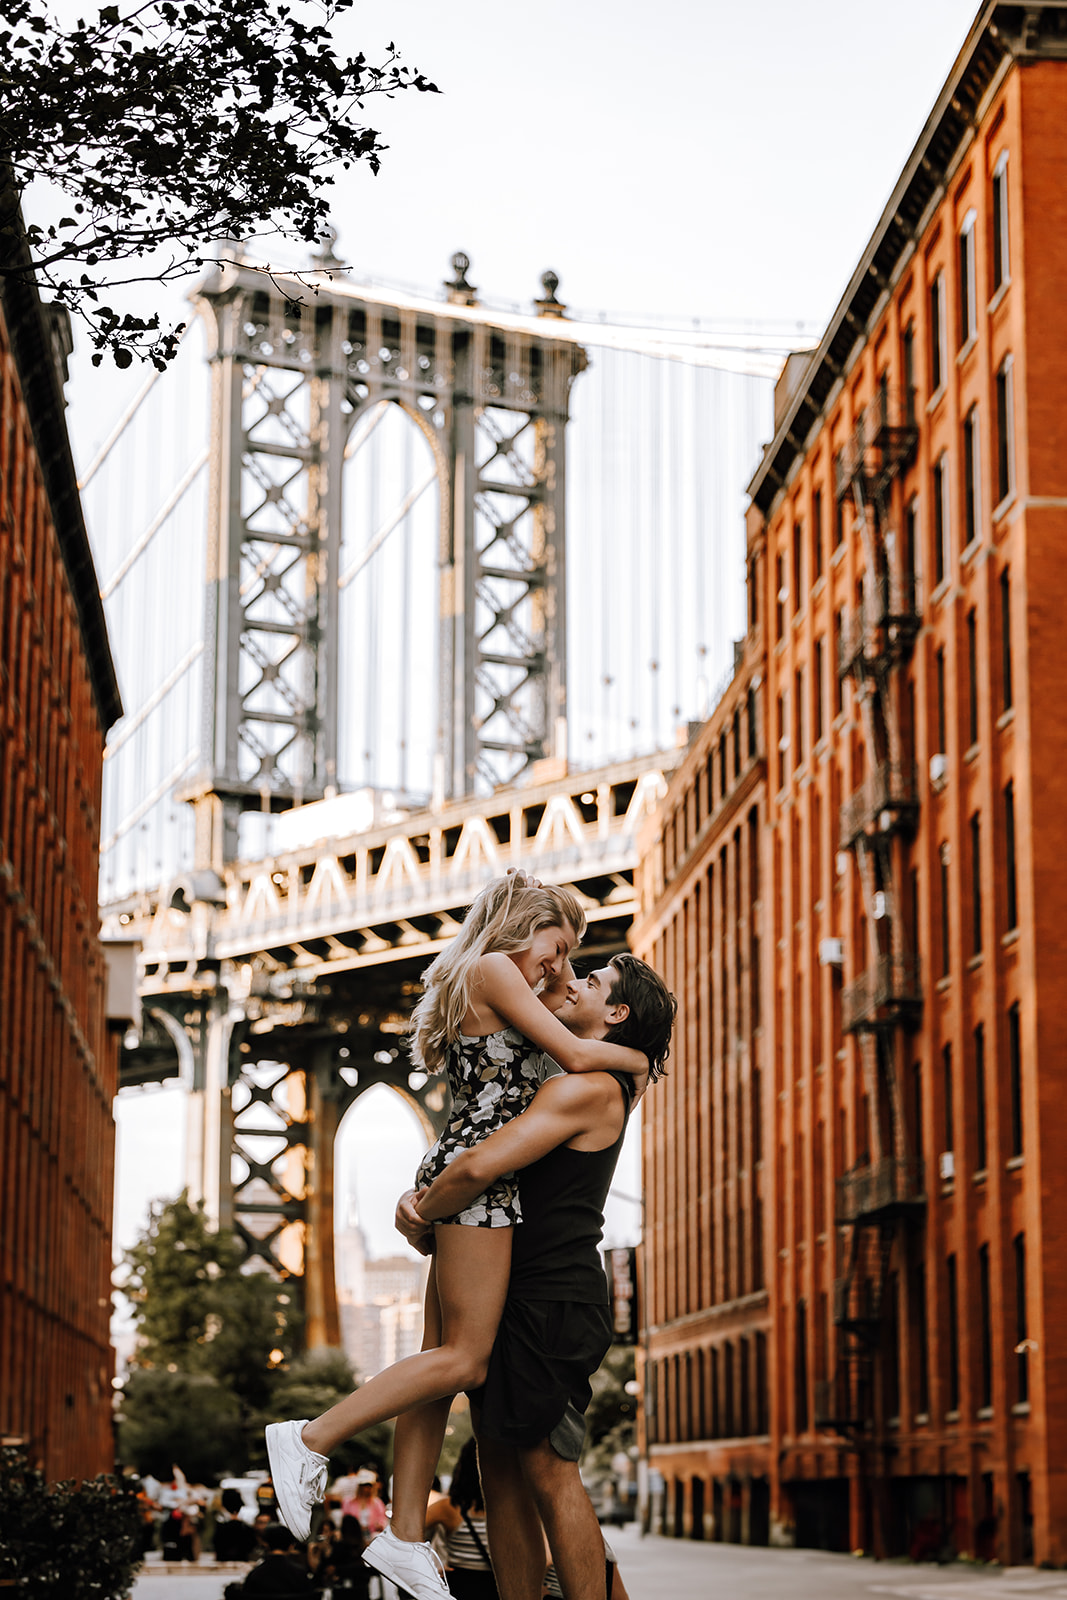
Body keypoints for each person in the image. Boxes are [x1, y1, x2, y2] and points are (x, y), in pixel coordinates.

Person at [266, 872, 648, 1589]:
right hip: (478, 1182)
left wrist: (426, 1201)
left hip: (467, 1172)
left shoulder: (498, 981)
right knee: (463, 1361)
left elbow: (559, 1040)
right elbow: (570, 1054)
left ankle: (404, 1532)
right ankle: (308, 1437)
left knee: (437, 1362)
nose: (561, 968)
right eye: (557, 947)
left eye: (573, 961)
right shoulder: (495, 969)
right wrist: (638, 1058)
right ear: (518, 923)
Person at [399, 952, 676, 1600]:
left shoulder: (586, 1086)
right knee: (497, 1473)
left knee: (550, 1472)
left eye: (593, 982)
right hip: (516, 1295)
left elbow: (475, 1170)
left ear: (615, 1013)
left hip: (550, 1300)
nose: (572, 981)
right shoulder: (588, 1073)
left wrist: (419, 1214)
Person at [422, 1438, 498, 1598]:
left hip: (458, 1587)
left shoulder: (449, 1507)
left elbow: (408, 1532)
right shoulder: (509, 1510)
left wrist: (426, 1569)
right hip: (496, 1588)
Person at [340, 1468, 387, 1537]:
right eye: (364, 1485)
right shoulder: (348, 1502)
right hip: (354, 1535)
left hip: (372, 1535)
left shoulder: (377, 1503)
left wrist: (379, 1525)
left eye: (369, 1485)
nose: (366, 1488)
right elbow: (346, 1521)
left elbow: (382, 1520)